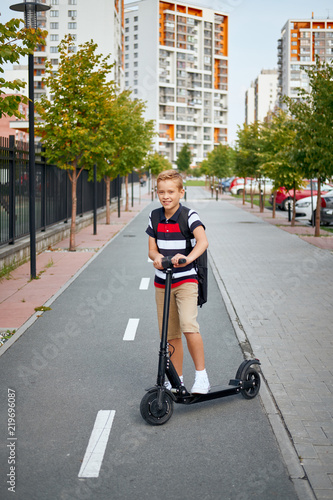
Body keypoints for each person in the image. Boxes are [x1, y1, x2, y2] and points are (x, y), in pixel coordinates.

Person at [146, 169, 210, 394]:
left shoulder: (189, 215)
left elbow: (202, 242)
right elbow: (152, 250)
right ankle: (177, 380)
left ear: (181, 192)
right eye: (161, 192)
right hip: (162, 282)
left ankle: (202, 377)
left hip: (186, 281)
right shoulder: (154, 216)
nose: (166, 196)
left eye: (171, 191)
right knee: (170, 333)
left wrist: (187, 259)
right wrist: (157, 259)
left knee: (189, 326)